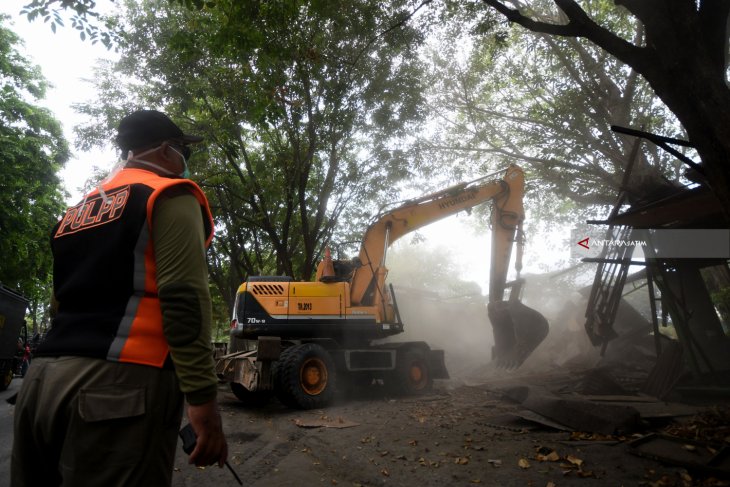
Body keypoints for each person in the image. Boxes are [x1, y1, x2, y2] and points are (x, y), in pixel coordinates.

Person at [11, 110, 228, 486]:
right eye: (183, 151)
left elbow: (58, 302)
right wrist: (202, 400)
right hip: (118, 386)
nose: (185, 162)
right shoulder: (169, 194)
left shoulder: (76, 212)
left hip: (41, 382)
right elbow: (183, 299)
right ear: (164, 150)